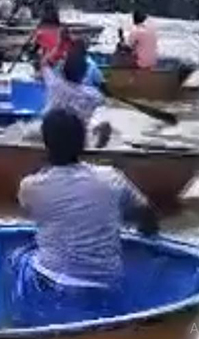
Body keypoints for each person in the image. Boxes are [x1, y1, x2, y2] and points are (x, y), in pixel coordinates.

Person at [12, 109, 157, 324]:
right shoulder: (111, 177)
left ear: (46, 144)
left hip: (56, 284)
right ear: (82, 143)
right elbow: (147, 213)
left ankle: (21, 322)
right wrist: (144, 233)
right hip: (107, 283)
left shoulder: (30, 186)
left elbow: (32, 210)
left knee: (16, 258)